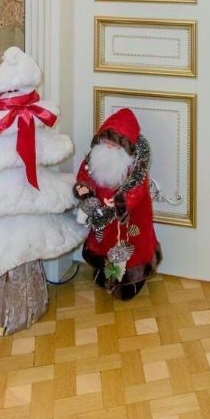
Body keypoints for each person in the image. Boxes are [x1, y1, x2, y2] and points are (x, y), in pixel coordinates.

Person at [73, 108, 162, 300]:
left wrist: (121, 201)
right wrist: (84, 187)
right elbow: (85, 174)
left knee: (130, 249)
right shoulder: (94, 157)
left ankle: (132, 278)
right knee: (103, 244)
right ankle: (103, 269)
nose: (108, 147)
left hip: (130, 221)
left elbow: (137, 190)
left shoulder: (135, 168)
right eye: (106, 142)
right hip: (102, 218)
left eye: (114, 144)